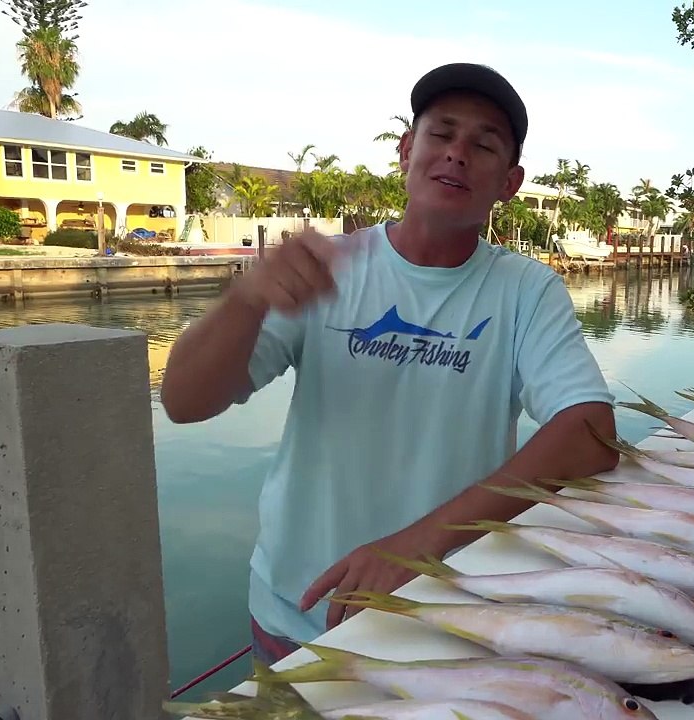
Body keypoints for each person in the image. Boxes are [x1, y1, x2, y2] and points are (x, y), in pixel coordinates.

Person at [159, 62, 619, 665]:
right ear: (406, 151)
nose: (456, 154)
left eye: (483, 145)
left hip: (442, 616)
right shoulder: (328, 267)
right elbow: (184, 403)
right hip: (299, 612)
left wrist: (414, 549)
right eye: (441, 134)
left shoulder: (526, 290)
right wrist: (245, 300)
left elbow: (590, 435)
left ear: (509, 183)